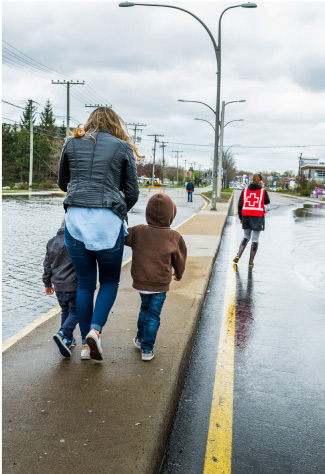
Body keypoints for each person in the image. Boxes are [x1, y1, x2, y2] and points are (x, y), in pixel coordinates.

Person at [58, 107, 140, 361]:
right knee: (109, 281)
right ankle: (95, 330)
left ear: (90, 122)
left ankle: (84, 346)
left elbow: (63, 183)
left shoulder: (71, 144)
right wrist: (116, 211)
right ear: (115, 123)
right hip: (108, 222)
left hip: (76, 222)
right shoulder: (123, 147)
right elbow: (133, 192)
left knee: (84, 284)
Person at [124, 193, 187, 361]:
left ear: (148, 212)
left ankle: (140, 338)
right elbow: (180, 260)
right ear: (171, 214)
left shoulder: (138, 231)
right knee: (154, 314)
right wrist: (178, 274)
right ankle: (147, 349)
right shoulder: (175, 236)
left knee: (144, 308)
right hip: (160, 283)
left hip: (141, 281)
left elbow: (121, 235)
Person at [42, 222, 78, 358]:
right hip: (73, 284)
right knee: (76, 312)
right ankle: (63, 333)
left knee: (65, 311)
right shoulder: (74, 241)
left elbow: (47, 265)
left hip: (58, 285)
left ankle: (67, 340)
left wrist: (47, 284)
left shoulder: (51, 242)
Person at [233, 173, 270, 268]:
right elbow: (267, 201)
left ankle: (238, 255)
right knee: (255, 239)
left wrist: (241, 217)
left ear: (252, 180)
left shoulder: (245, 190)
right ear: (260, 181)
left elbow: (240, 204)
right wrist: (263, 188)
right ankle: (250, 262)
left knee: (246, 236)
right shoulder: (262, 191)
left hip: (246, 216)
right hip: (257, 216)